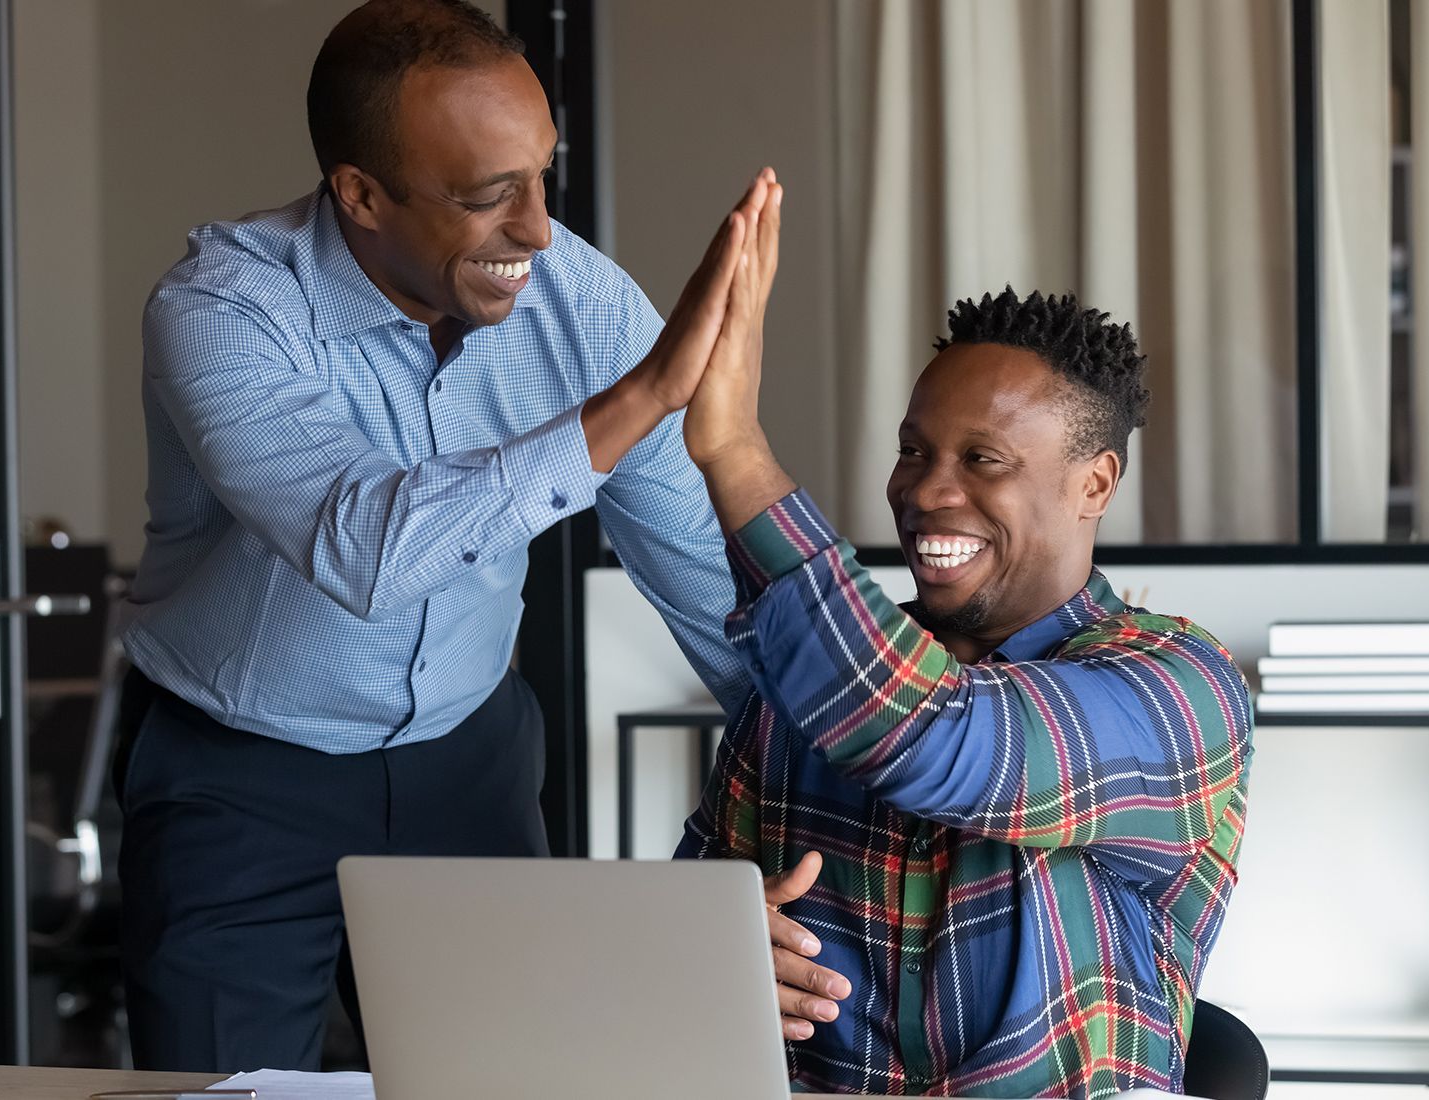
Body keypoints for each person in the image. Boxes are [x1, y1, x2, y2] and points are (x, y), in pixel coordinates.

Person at [114, 0, 771, 1072]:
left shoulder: (578, 298)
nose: (539, 230)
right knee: (223, 1091)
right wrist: (640, 397)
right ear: (361, 194)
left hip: (468, 759)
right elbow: (361, 548)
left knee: (506, 1083)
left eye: (541, 174)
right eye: (487, 195)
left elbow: (704, 573)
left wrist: (845, 765)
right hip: (237, 776)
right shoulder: (221, 308)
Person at [674, 183, 1254, 1098]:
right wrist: (723, 952)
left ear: (1094, 484)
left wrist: (736, 451)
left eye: (981, 460)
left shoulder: (1178, 688)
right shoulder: (803, 687)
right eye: (914, 451)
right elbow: (690, 912)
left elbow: (938, 738)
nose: (926, 492)